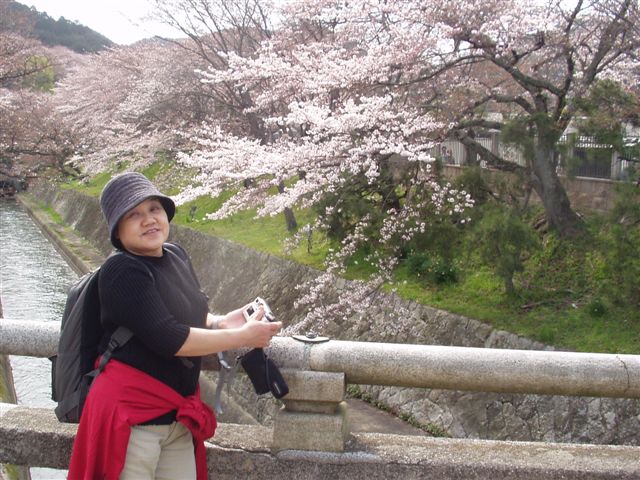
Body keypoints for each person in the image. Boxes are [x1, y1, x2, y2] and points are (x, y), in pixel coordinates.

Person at [67, 171, 281, 480]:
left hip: (176, 415)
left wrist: (221, 322)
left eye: (154, 208)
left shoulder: (175, 255)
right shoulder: (121, 269)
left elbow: (189, 316)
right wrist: (241, 337)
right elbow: (169, 337)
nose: (149, 220)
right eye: (134, 215)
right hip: (131, 414)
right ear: (117, 230)